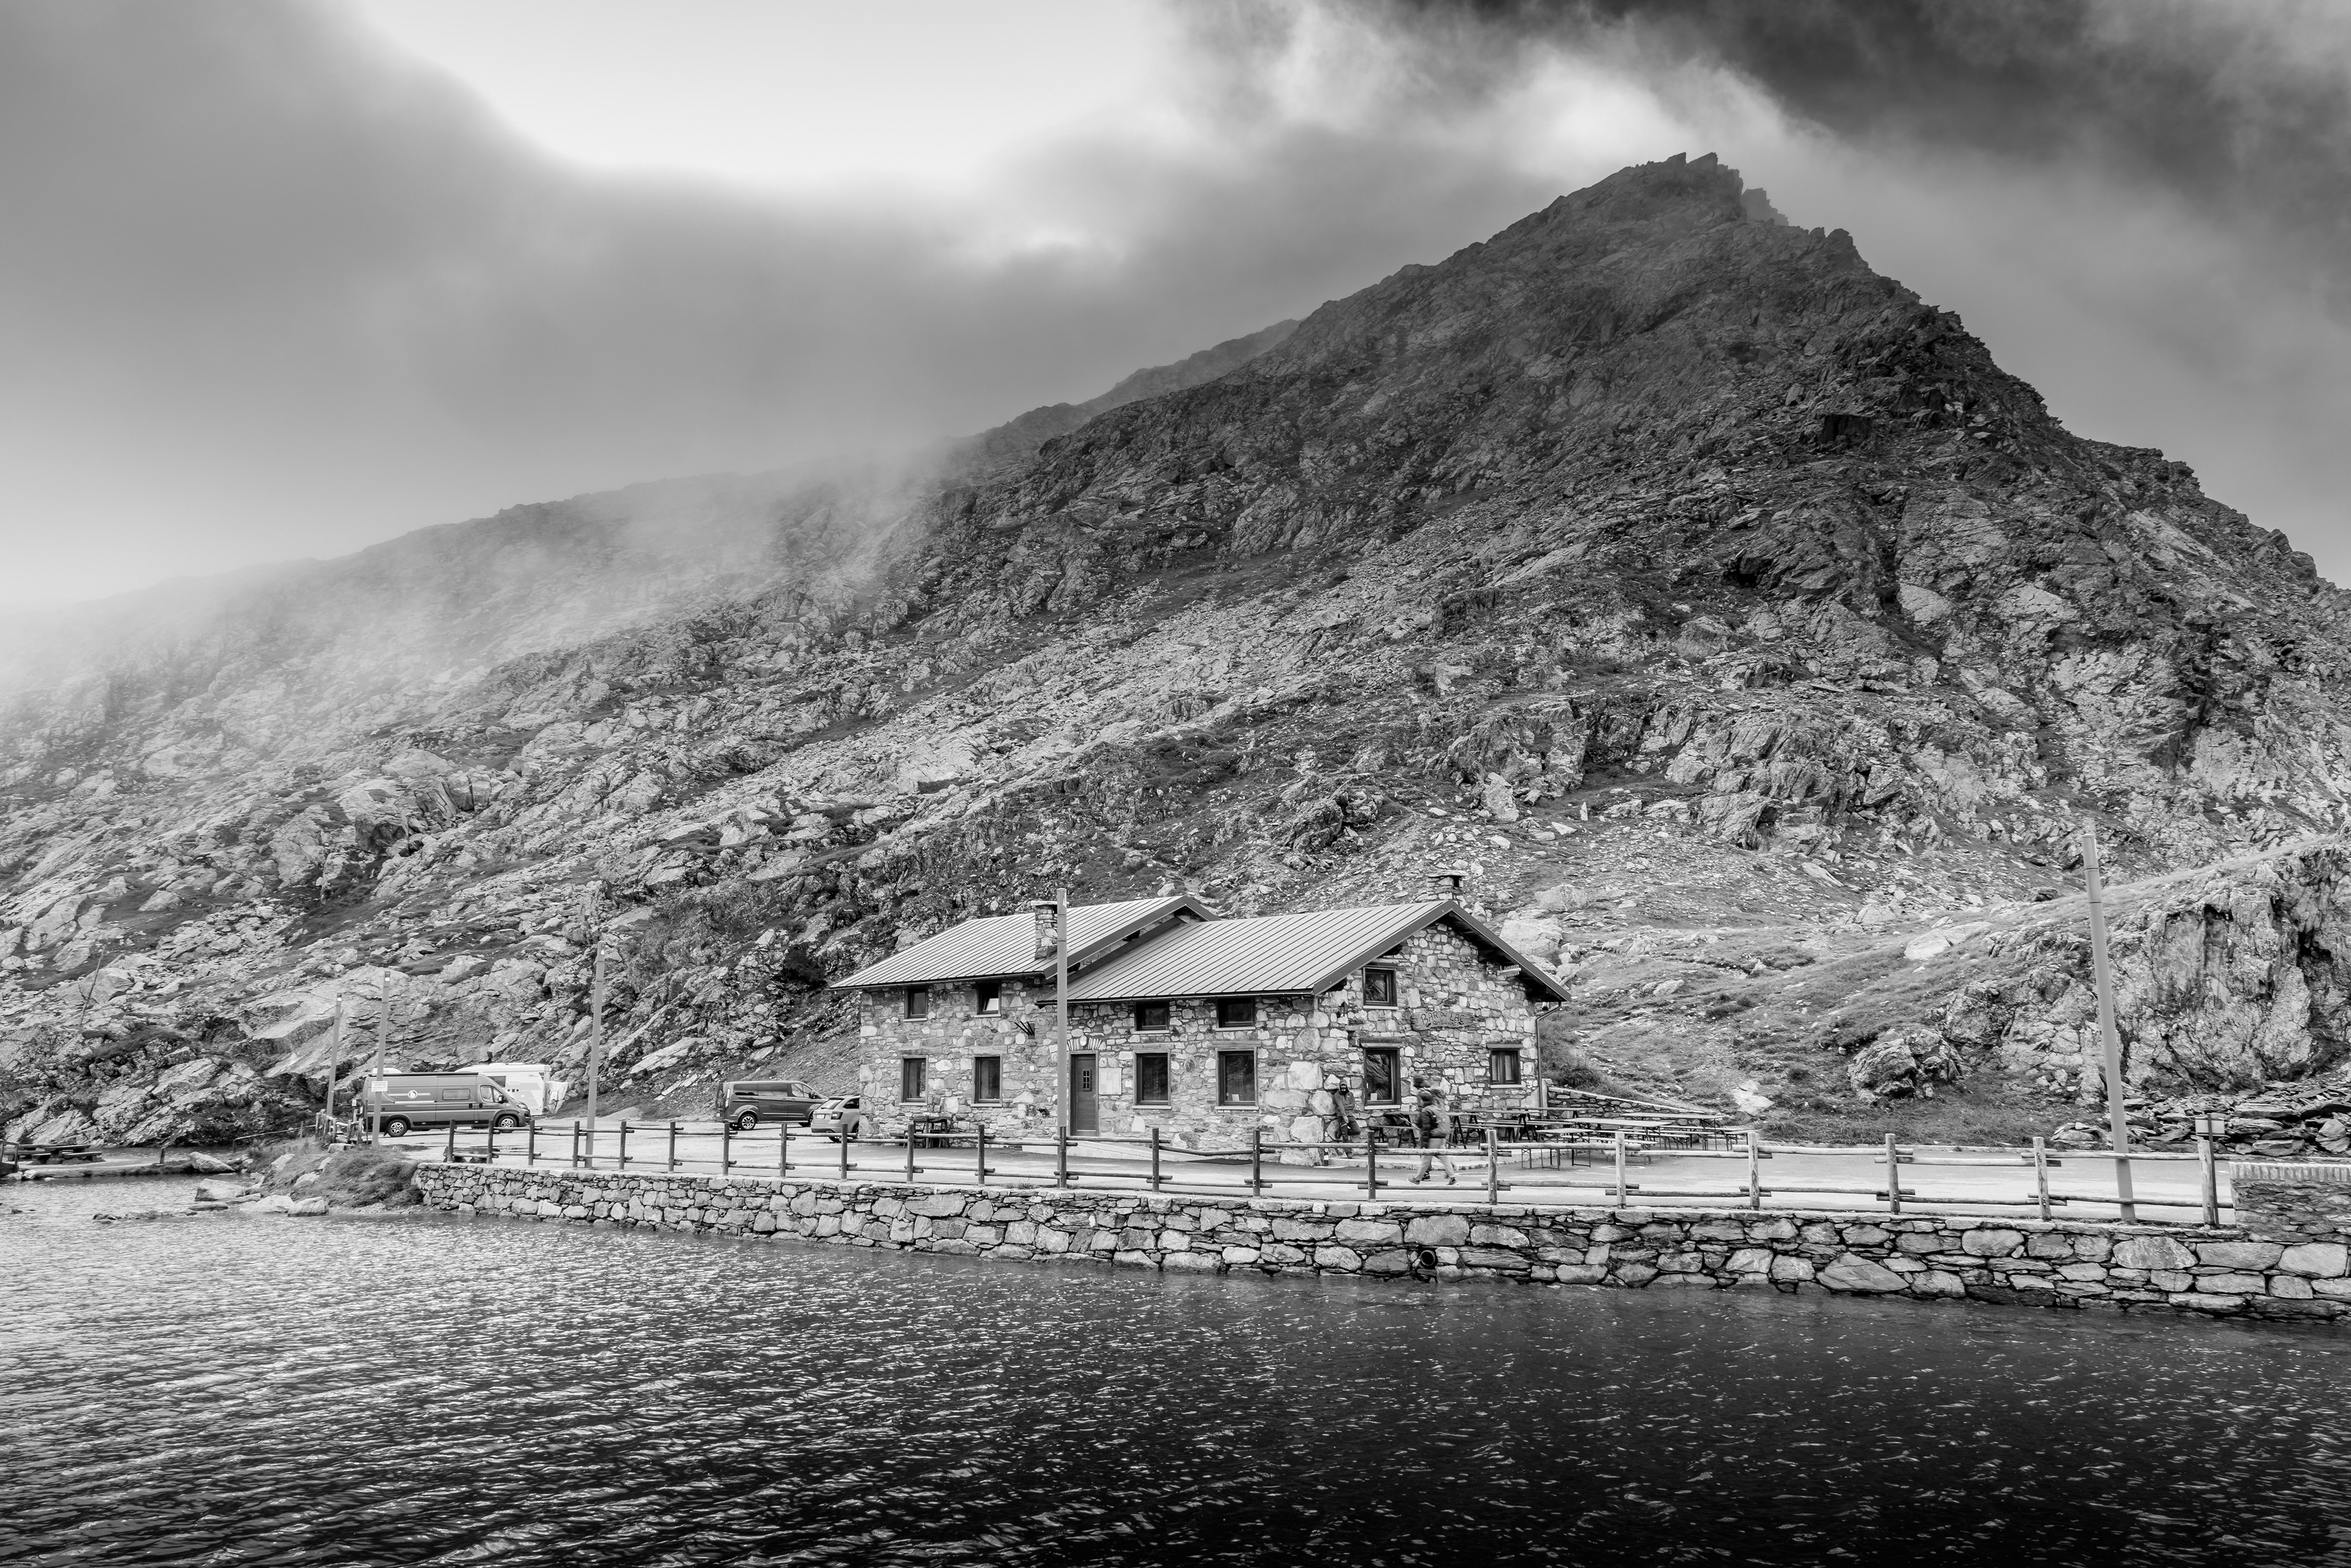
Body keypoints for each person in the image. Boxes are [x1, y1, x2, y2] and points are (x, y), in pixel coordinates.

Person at [1407, 1077, 1459, 1186]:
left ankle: (1418, 1178)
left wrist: (1424, 1141)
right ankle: (1452, 1177)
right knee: (1443, 1157)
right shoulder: (1435, 1101)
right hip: (1442, 1135)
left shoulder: (1424, 1105)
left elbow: (1426, 1126)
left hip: (1433, 1136)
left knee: (1426, 1157)